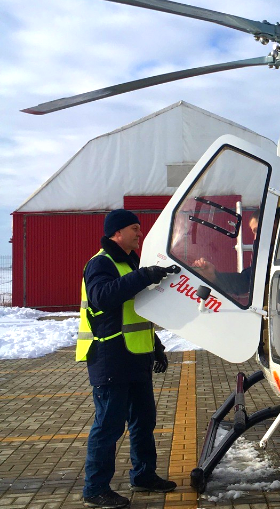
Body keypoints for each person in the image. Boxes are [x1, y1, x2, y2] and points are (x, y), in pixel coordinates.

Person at [77, 209, 176, 508]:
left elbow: (136, 313)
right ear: (116, 232)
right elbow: (102, 297)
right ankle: (94, 489)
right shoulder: (101, 264)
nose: (140, 233)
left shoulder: (130, 262)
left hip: (135, 356)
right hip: (110, 357)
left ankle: (144, 476)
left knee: (143, 421)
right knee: (108, 426)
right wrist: (142, 276)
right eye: (134, 228)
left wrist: (155, 345)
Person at [192, 211, 259, 296]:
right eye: (254, 232)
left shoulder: (274, 254)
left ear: (274, 223)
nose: (256, 237)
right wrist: (215, 277)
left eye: (257, 230)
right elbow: (247, 280)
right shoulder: (268, 256)